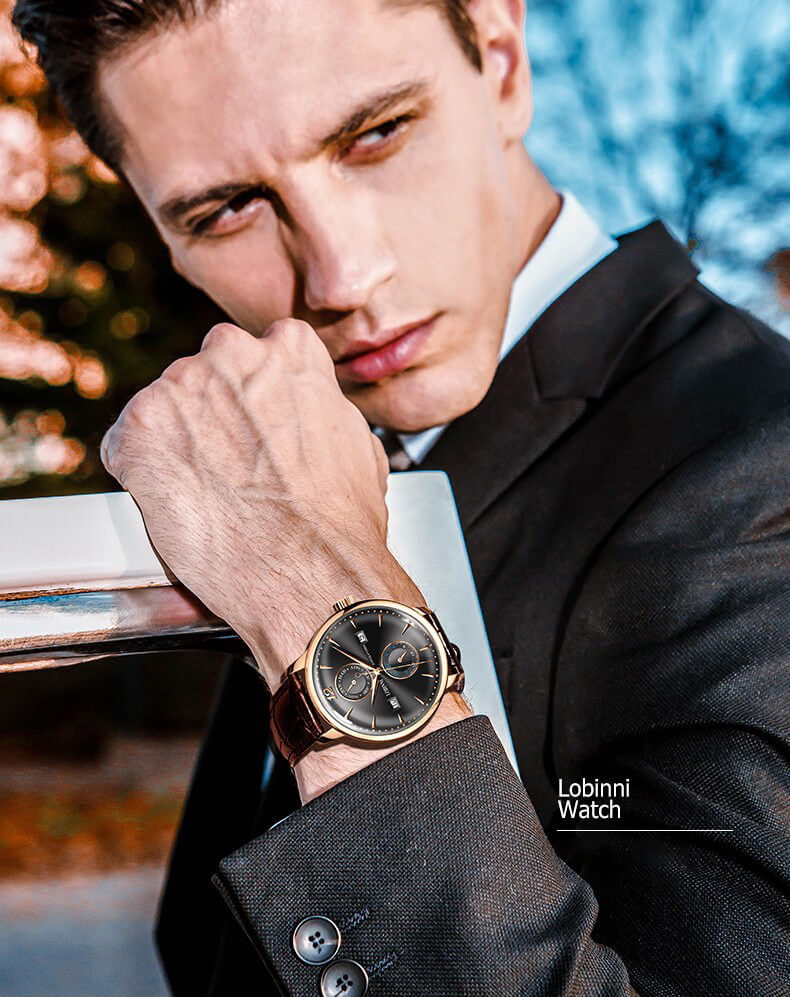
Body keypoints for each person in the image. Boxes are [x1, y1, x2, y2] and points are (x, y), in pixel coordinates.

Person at [12, 1, 789, 994]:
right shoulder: (310, 457)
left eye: (376, 134)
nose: (341, 276)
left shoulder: (759, 464)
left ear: (501, 61)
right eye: (226, 209)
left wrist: (324, 613)